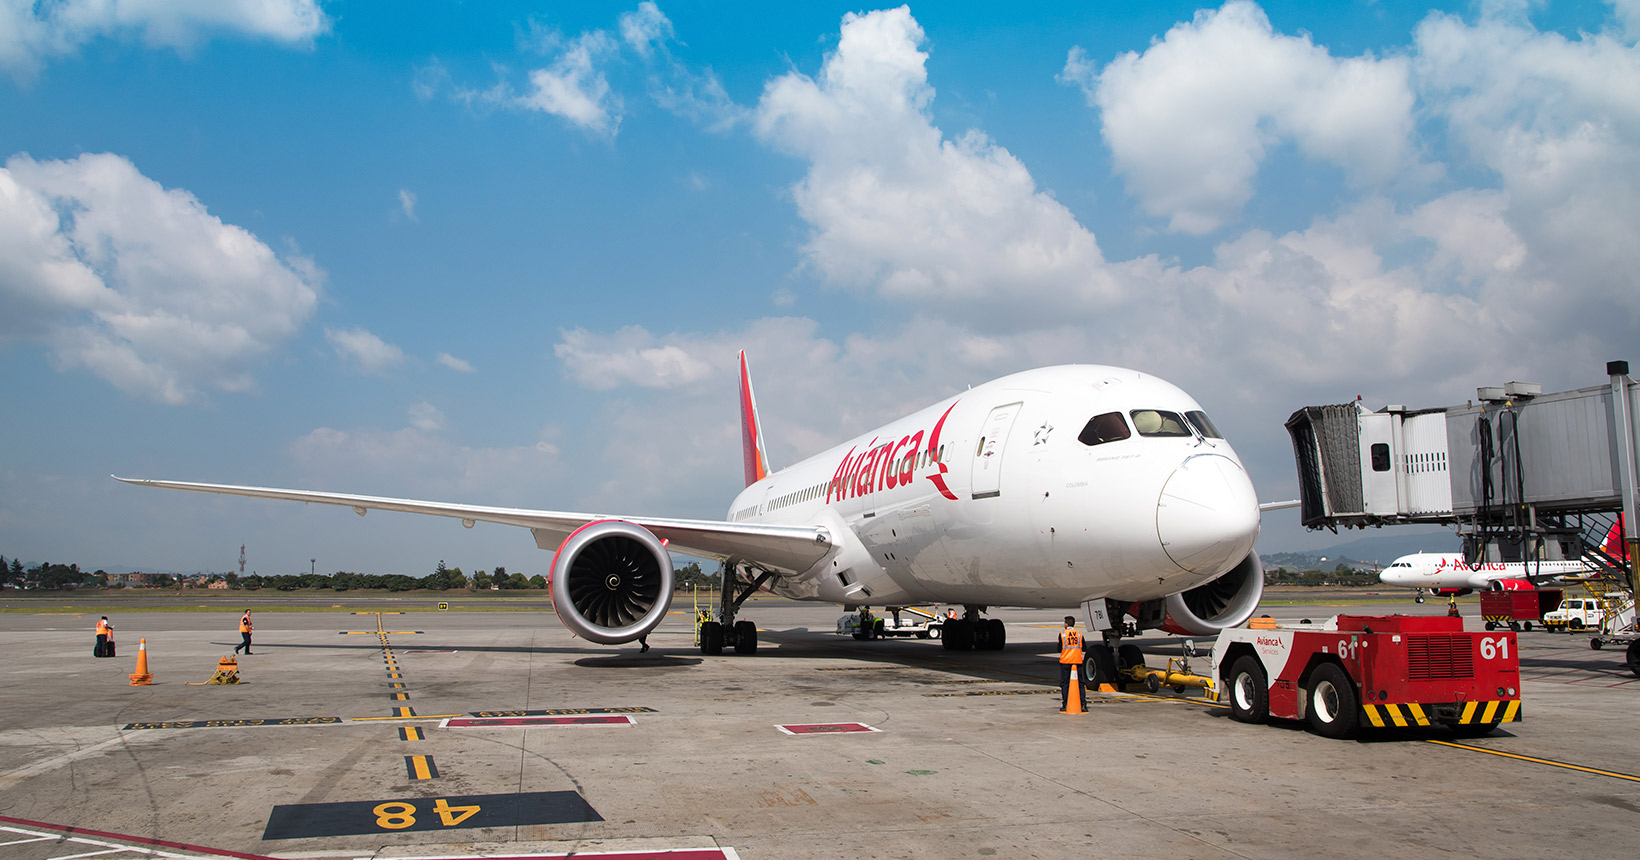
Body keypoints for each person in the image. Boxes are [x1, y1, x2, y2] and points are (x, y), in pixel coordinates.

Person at [1058, 615, 1087, 712]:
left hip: (1066, 661)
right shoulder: (1079, 634)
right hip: (1077, 661)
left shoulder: (1063, 634)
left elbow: (1059, 648)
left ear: (1066, 624)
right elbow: (1085, 648)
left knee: (1065, 684)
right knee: (1080, 684)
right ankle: (1083, 704)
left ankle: (1065, 704)